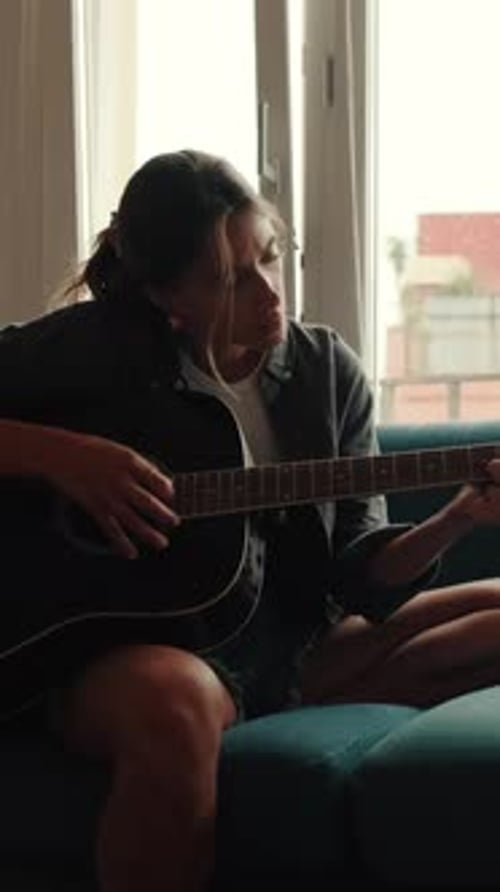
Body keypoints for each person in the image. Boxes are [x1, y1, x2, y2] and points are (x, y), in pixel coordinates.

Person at [2, 148, 500, 892]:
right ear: (165, 295)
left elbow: (362, 575)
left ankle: (288, 700)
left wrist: (459, 518)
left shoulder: (324, 371)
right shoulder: (95, 347)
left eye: (271, 256)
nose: (271, 295)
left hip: (293, 645)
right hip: (135, 655)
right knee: (179, 703)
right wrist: (63, 457)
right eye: (231, 281)